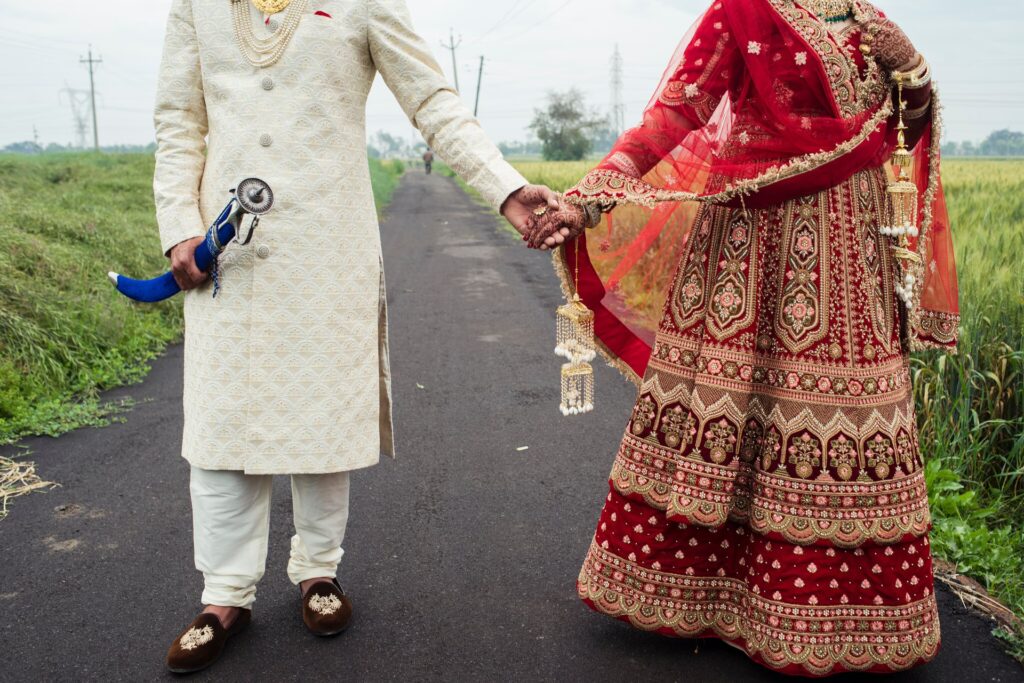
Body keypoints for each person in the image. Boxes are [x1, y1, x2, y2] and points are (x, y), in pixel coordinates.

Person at [529, 0, 958, 676]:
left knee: (843, 414)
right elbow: (677, 112)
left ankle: (849, 614)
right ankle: (715, 599)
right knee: (745, 412)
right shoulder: (744, 11)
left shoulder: (867, 21)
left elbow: (900, 134)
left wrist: (918, 75)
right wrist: (586, 198)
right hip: (752, 252)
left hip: (852, 255)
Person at [153, 0, 561, 673]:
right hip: (225, 244)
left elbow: (430, 99)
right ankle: (223, 595)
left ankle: (319, 572)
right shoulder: (195, 6)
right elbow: (178, 121)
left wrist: (507, 190)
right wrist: (178, 224)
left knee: (322, 408)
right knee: (224, 418)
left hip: (326, 239)